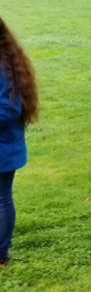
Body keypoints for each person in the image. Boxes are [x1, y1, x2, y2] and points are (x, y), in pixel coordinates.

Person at [0, 18, 38, 269]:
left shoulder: (3, 65)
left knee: (1, 198)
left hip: (3, 148)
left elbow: (8, 108)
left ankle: (0, 253)